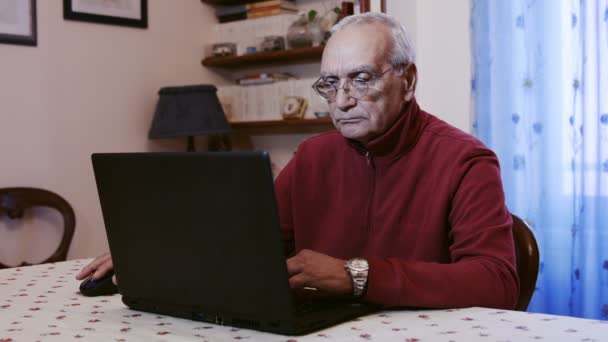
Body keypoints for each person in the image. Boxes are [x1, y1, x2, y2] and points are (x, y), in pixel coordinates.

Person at [77, 12, 519, 310]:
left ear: (408, 80)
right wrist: (157, 253)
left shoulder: (466, 161)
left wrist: (357, 276)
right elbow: (246, 239)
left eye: (361, 79)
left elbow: (496, 281)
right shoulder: (313, 156)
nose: (342, 101)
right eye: (329, 84)